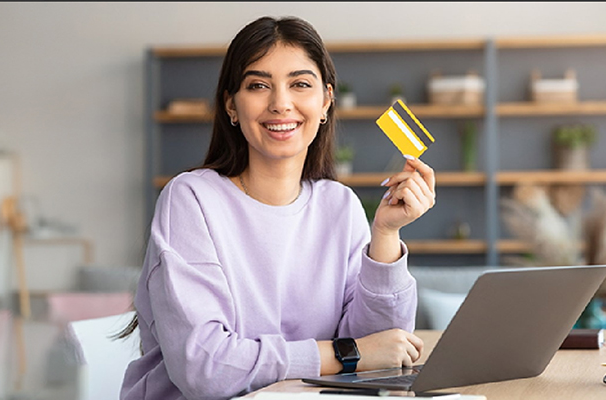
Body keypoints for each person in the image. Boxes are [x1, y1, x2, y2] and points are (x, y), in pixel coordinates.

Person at [118, 16, 437, 400]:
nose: (280, 103)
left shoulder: (340, 205)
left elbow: (384, 354)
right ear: (231, 106)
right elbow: (205, 370)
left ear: (325, 103)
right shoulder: (190, 200)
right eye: (257, 86)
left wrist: (385, 233)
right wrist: (346, 354)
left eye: (300, 84)